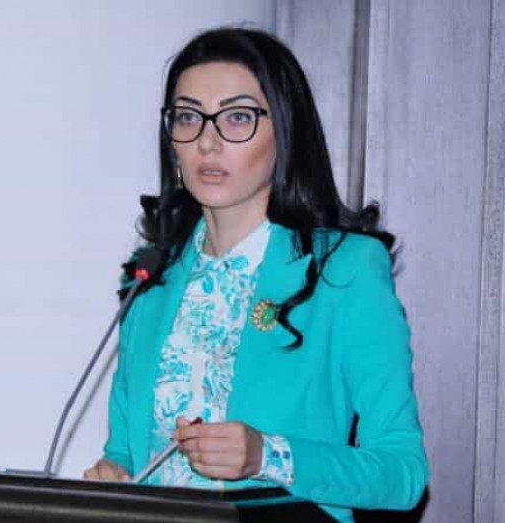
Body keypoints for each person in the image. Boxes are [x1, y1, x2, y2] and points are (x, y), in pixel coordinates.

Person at [83, 27, 429, 522]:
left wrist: (268, 455)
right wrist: (111, 477)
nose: (207, 142)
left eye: (237, 118)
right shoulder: (149, 280)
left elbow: (402, 475)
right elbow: (124, 454)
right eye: (188, 117)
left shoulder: (345, 270)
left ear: (284, 133)